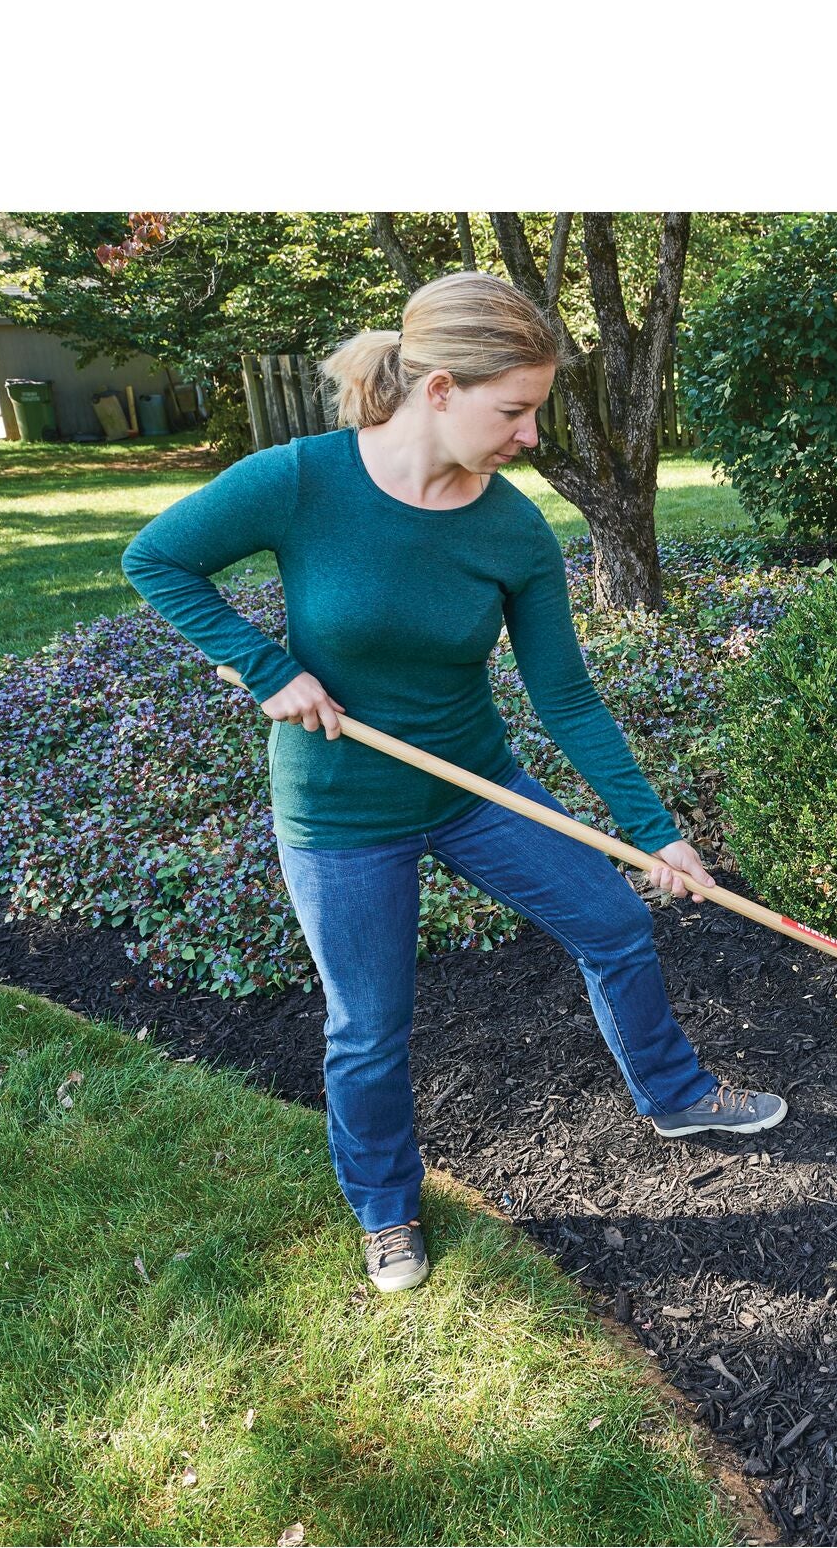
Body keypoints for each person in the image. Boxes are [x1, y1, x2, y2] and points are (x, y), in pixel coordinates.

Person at [121, 270, 785, 1295]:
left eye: (534, 411)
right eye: (512, 410)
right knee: (369, 1026)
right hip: (339, 809)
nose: (528, 435)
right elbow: (157, 559)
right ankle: (385, 1206)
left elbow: (565, 696)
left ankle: (673, 1091)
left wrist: (653, 830)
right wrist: (270, 669)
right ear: (436, 389)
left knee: (612, 920)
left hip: (477, 787)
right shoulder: (301, 479)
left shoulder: (511, 531)